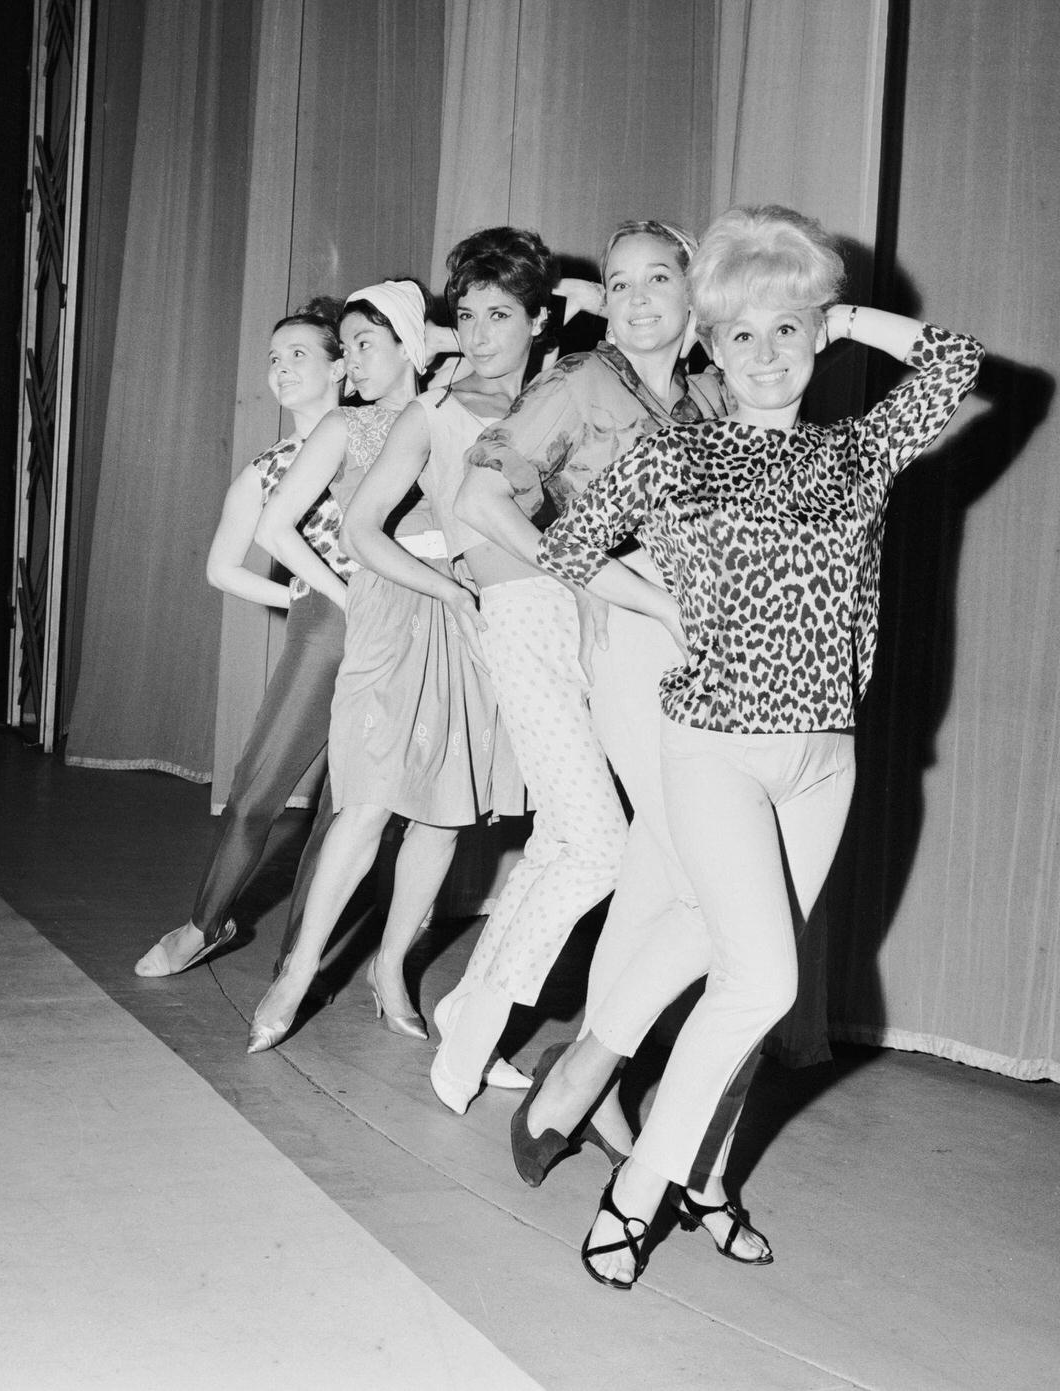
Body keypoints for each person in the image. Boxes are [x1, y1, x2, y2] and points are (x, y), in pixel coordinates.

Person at [530, 204, 983, 1288]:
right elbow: (565, 544)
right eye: (741, 333)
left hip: (824, 756)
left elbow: (957, 360)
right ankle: (636, 1188)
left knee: (741, 975)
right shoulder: (673, 454)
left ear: (817, 334)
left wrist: (834, 307)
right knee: (759, 982)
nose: (769, 353)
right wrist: (668, 606)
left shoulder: (856, 450)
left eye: (789, 329)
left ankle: (710, 1174)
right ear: (708, 344)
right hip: (716, 748)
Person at [444, 220, 727, 1123]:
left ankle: (515, 1021)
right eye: (620, 283)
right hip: (578, 626)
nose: (637, 300)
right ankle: (496, 1032)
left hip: (664, 645)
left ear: (694, 293)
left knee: (623, 844)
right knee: (616, 845)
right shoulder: (580, 382)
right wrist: (573, 567)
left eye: (658, 280)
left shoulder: (707, 396)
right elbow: (480, 498)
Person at [250, 278, 500, 1052]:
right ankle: (295, 974)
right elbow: (276, 524)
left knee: (443, 812)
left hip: (466, 614)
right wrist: (347, 592)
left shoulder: (453, 408)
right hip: (388, 610)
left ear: (407, 342)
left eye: (366, 341)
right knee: (364, 806)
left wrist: (435, 341)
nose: (352, 358)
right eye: (346, 344)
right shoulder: (347, 428)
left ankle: (390, 967)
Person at [340, 226, 560, 1107]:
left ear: (539, 321)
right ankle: (476, 1023)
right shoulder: (433, 410)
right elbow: (362, 527)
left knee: (568, 844)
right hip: (493, 630)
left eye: (500, 314)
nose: (475, 333)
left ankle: (479, 1020)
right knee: (570, 843)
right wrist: (454, 592)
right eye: (463, 315)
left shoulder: (564, 395)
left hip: (573, 630)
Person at [133, 298, 349, 980]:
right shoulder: (267, 467)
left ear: (341, 365)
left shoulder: (388, 434)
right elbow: (221, 568)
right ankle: (206, 922)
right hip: (329, 629)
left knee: (353, 810)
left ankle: (298, 958)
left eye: (299, 354)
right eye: (274, 358)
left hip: (402, 632)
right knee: (256, 795)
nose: (281, 368)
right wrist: (298, 595)